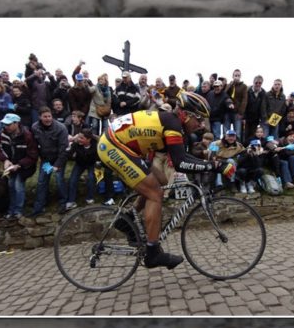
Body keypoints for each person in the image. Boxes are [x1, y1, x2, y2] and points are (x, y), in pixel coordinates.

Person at [97, 92, 235, 269]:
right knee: (155, 194)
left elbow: (183, 157)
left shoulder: (172, 122)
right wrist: (215, 166)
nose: (201, 125)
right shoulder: (172, 124)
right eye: (199, 119)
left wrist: (213, 163)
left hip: (122, 145)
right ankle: (153, 253)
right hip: (113, 145)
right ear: (185, 114)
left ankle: (128, 218)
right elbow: (180, 164)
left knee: (161, 181)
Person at [0, 113, 39, 219]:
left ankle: (18, 210)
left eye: (8, 124)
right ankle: (11, 210)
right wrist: (5, 160)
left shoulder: (27, 135)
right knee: (10, 185)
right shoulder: (2, 134)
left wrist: (19, 165)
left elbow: (33, 156)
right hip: (10, 166)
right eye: (4, 124)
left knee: (18, 185)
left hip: (25, 167)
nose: (5, 126)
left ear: (16, 123)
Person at [31, 107, 69, 216]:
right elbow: (34, 144)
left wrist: (57, 165)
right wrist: (37, 157)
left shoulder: (61, 128)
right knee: (42, 181)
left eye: (49, 116)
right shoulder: (35, 127)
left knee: (59, 179)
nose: (47, 119)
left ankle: (63, 203)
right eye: (45, 117)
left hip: (59, 158)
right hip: (46, 159)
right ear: (40, 117)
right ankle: (39, 207)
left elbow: (64, 148)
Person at [65, 129, 99, 210]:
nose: (79, 139)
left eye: (81, 138)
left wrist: (98, 163)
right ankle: (71, 201)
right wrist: (71, 155)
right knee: (73, 180)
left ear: (88, 139)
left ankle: (89, 198)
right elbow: (68, 154)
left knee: (91, 178)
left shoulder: (96, 145)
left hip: (91, 164)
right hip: (79, 163)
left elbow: (99, 156)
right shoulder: (76, 144)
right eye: (79, 137)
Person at [223, 69, 248, 142]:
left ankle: (237, 148)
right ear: (233, 76)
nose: (237, 77)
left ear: (240, 76)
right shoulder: (229, 85)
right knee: (226, 131)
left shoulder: (244, 86)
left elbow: (244, 100)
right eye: (235, 75)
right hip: (227, 111)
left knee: (237, 133)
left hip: (237, 112)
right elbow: (224, 94)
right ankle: (225, 147)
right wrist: (231, 84)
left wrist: (241, 112)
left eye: (238, 75)